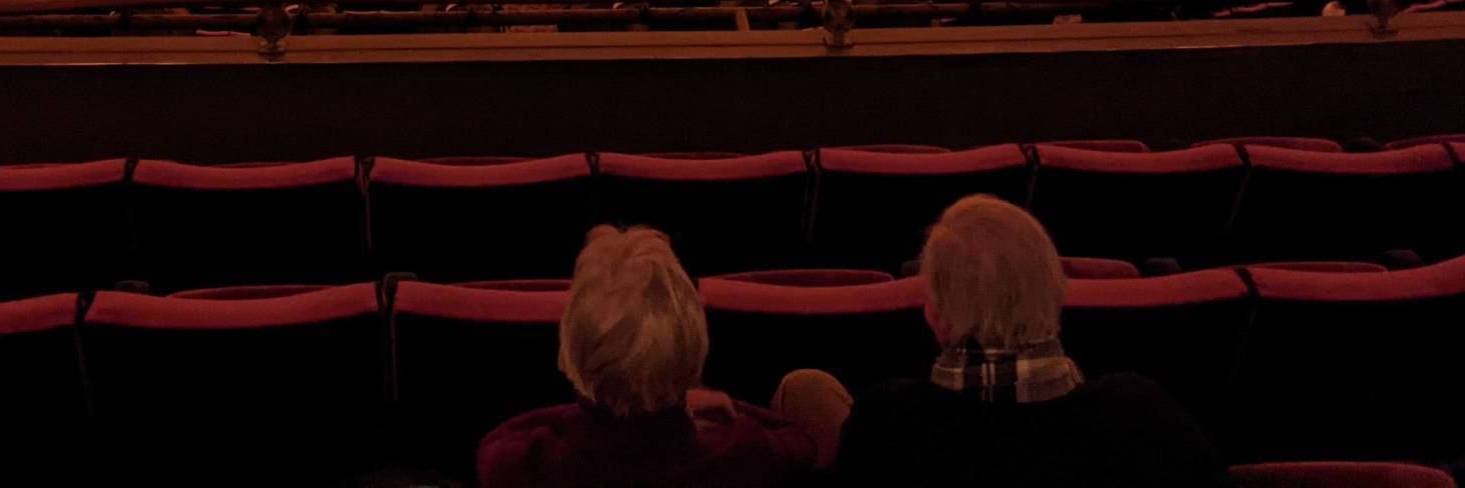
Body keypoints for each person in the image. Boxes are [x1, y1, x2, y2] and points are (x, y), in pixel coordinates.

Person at [780, 196, 1225, 486]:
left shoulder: (891, 422)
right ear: (1056, 296)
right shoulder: (1141, 416)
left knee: (806, 388)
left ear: (936, 316)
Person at [476, 225, 815, 487]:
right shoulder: (743, 450)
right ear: (694, 343)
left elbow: (496, 442)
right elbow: (800, 440)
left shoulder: (534, 462)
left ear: (571, 348)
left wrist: (581, 409)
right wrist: (730, 407)